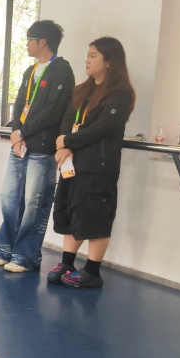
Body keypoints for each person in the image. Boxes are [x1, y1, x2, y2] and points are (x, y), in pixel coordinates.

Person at [0, 20, 75, 272]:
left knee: (34, 203)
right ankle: (5, 249)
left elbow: (53, 111)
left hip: (42, 148)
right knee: (9, 197)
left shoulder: (62, 71)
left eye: (29, 39)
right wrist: (16, 132)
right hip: (21, 145)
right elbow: (19, 103)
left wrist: (23, 132)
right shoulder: (30, 70)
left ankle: (26, 256)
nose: (26, 44)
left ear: (42, 41)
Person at [48, 37, 135, 289]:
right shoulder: (81, 90)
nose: (87, 60)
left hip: (99, 167)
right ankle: (67, 263)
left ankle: (92, 271)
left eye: (94, 55)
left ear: (109, 61)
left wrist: (68, 141)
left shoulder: (120, 94)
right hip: (72, 165)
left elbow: (102, 127)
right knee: (70, 212)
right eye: (87, 55)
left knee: (96, 217)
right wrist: (63, 145)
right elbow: (67, 121)